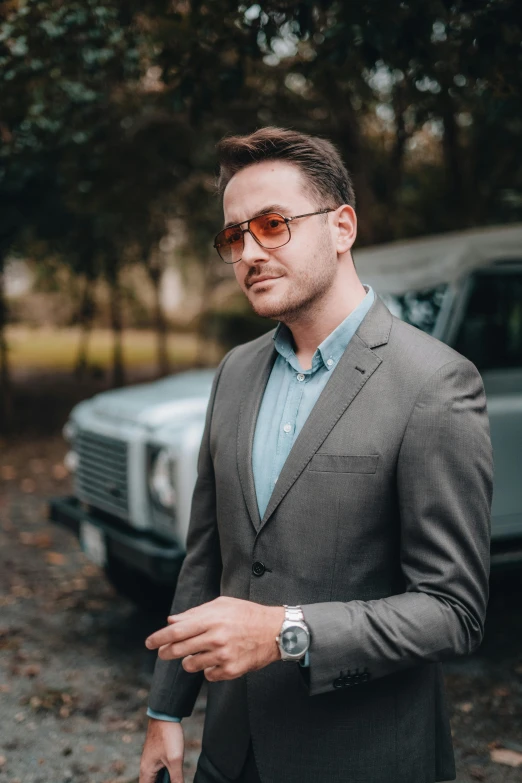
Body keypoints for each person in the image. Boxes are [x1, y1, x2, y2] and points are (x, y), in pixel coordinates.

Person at [139, 126, 493, 783]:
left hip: (360, 758)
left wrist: (285, 630)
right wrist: (167, 708)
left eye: (273, 224)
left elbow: (454, 611)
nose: (249, 251)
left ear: (342, 227)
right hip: (231, 753)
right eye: (234, 236)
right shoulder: (235, 373)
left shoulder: (434, 383)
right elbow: (206, 558)